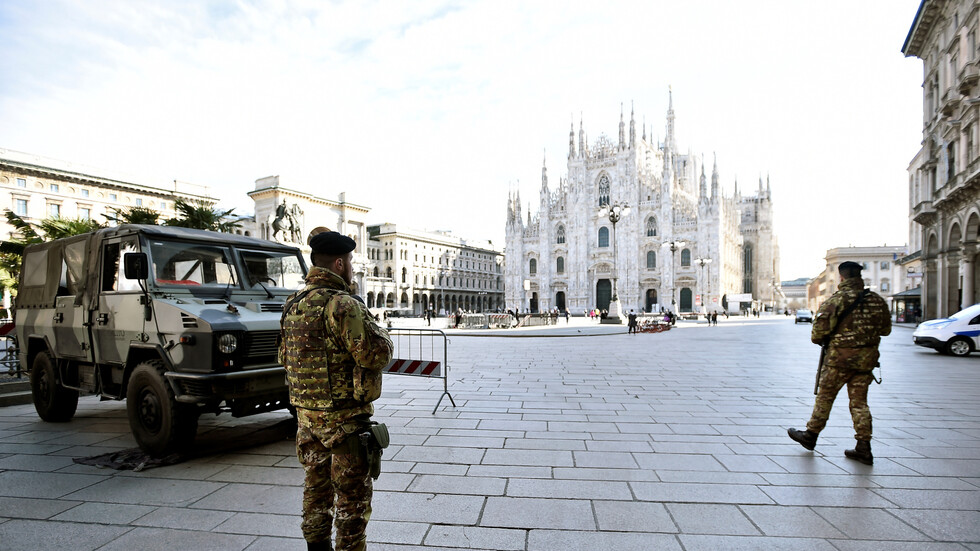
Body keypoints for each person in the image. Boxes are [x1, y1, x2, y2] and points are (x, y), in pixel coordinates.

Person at [280, 231, 394, 551]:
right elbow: (375, 354)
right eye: (351, 262)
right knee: (351, 504)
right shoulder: (342, 304)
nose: (352, 266)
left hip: (307, 421)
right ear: (340, 264)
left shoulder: (293, 304)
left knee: (315, 492)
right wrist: (379, 331)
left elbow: (283, 357)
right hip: (344, 423)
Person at [787, 261, 891, 465]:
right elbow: (886, 330)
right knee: (860, 403)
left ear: (841, 278)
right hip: (865, 362)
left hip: (838, 362)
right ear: (859, 277)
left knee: (825, 398)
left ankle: (810, 436)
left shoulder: (836, 301)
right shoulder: (876, 301)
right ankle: (863, 447)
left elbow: (817, 335)